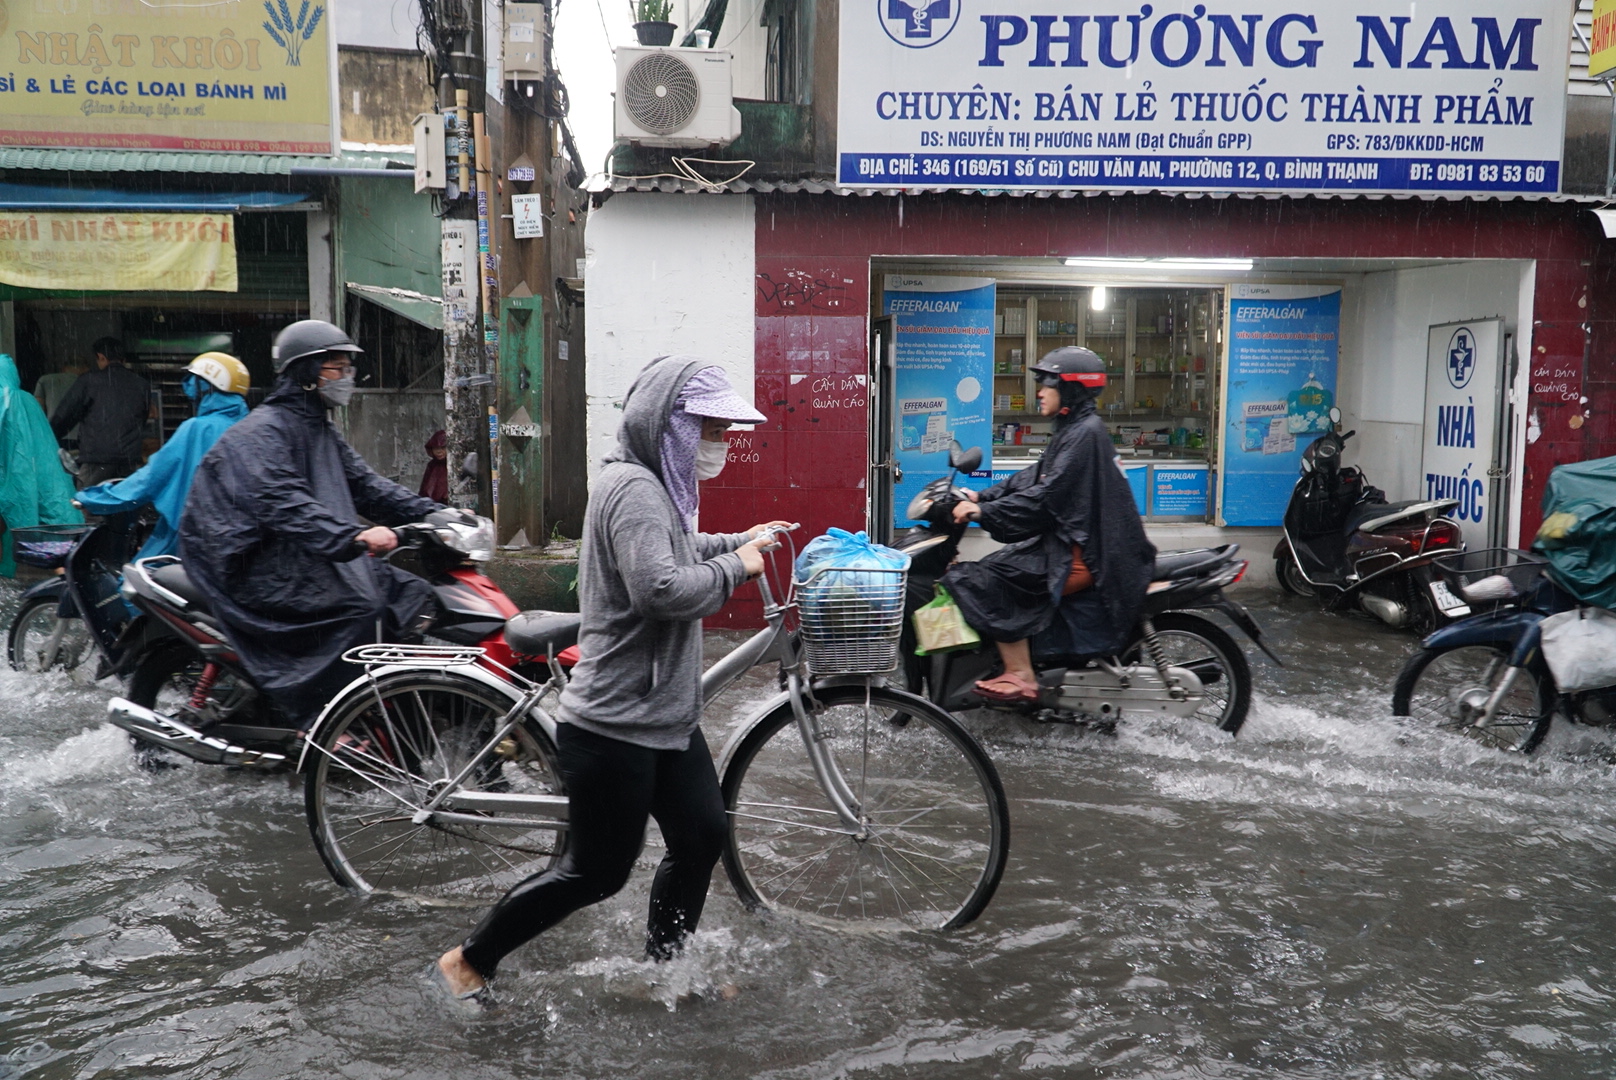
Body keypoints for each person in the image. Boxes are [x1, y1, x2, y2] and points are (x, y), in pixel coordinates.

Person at [431, 356, 789, 1008]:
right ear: (669, 424)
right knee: (596, 873)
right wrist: (737, 566)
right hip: (615, 723)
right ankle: (470, 958)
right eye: (710, 427)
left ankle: (667, 969)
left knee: (702, 834)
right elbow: (660, 588)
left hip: (665, 718)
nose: (721, 442)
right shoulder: (636, 491)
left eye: (722, 429)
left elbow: (678, 550)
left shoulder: (661, 485)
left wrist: (741, 539)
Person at [177, 320, 445, 729]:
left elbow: (367, 487)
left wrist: (433, 514)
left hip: (293, 548)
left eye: (347, 369)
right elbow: (283, 502)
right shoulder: (262, 432)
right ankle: (324, 721)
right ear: (306, 373)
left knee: (411, 595)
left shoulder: (316, 426)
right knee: (362, 609)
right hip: (247, 561)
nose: (346, 378)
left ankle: (389, 713)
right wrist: (352, 536)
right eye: (335, 368)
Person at [945, 347, 1155, 702]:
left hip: (1081, 555)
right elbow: (1033, 477)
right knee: (993, 565)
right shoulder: (1074, 429)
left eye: (1048, 383)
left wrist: (984, 513)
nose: (1039, 391)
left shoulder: (1084, 433)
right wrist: (983, 497)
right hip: (1070, 542)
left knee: (979, 577)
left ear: (1071, 389)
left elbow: (1046, 497)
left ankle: (1021, 674)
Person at [74, 352, 251, 564]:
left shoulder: (197, 429)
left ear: (207, 386)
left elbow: (151, 478)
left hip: (188, 534)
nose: (189, 390)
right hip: (237, 541)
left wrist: (94, 499)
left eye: (194, 383)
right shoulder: (250, 429)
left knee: (135, 584)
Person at [0, 353, 81, 577]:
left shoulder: (3, 400)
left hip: (8, 473)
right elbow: (44, 445)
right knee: (40, 525)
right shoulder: (26, 400)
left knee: (7, 521)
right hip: (33, 475)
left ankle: (6, 573)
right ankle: (66, 576)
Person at [50, 337, 152, 488]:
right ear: (123, 359)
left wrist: (51, 436)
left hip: (96, 459)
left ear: (101, 357)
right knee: (125, 504)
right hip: (129, 461)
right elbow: (142, 419)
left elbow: (66, 415)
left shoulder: (88, 381)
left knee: (87, 505)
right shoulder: (141, 384)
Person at [419, 429, 448, 503]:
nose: (439, 451)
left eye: (443, 448)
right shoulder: (432, 465)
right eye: (436, 448)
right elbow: (424, 489)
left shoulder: (452, 465)